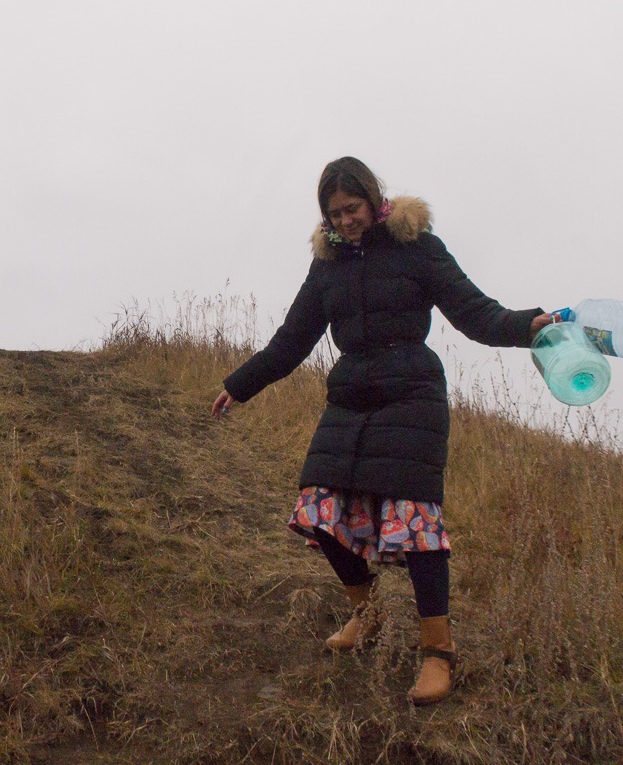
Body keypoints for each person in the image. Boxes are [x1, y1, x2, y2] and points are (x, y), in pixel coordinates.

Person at [211, 157, 552, 706]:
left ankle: (438, 652)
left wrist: (524, 325)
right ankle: (366, 615)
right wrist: (240, 384)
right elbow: (291, 339)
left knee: (415, 524)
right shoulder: (327, 267)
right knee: (317, 511)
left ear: (373, 200)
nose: (345, 222)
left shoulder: (418, 247)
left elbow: (474, 312)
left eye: (352, 209)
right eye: (334, 214)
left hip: (412, 393)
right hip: (351, 396)